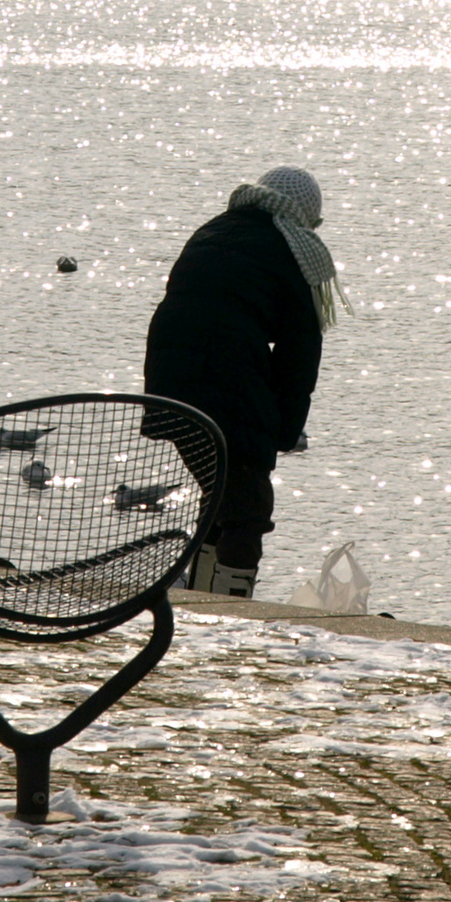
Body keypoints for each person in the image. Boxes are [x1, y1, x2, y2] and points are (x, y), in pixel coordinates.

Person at [144, 165, 344, 597]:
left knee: (220, 495)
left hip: (169, 379)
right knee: (248, 508)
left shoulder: (215, 230)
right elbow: (298, 358)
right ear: (307, 217)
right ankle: (231, 611)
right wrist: (283, 433)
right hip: (225, 376)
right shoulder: (294, 251)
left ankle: (201, 598)